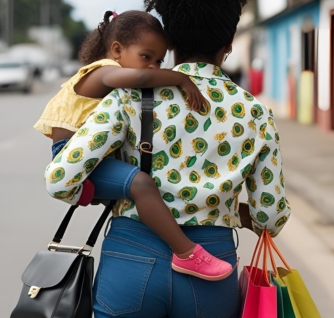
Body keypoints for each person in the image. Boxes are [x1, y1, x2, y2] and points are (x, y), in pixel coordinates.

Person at [44, 0, 292, 317]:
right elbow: (271, 217)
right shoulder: (255, 112)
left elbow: (60, 180)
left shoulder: (131, 94)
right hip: (212, 265)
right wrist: (225, 207)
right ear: (229, 44)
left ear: (170, 41)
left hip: (131, 258)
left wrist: (110, 188)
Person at [35, 10, 234, 281]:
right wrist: (181, 78)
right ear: (117, 50)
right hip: (72, 155)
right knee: (141, 184)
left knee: (136, 181)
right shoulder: (104, 72)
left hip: (95, 155)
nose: (153, 67)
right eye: (146, 57)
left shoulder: (110, 75)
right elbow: (142, 80)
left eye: (160, 60)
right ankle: (187, 253)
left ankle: (89, 191)